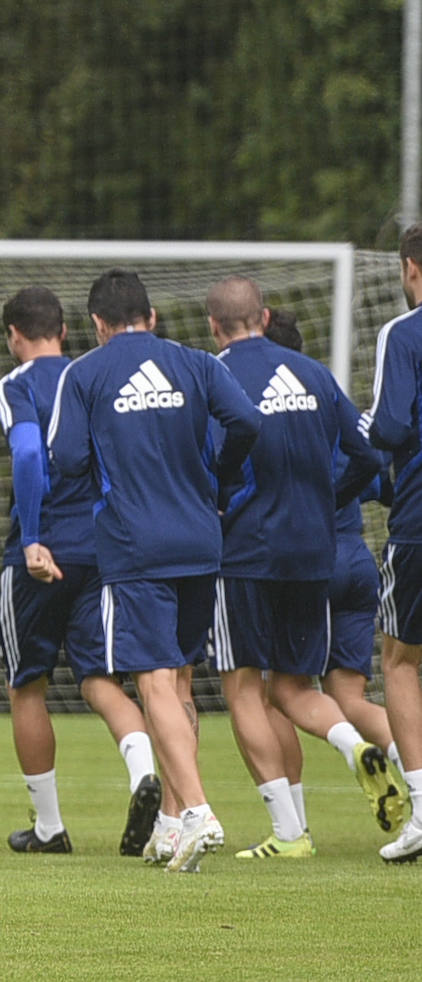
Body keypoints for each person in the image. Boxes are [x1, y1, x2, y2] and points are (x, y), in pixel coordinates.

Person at [46, 269, 262, 873]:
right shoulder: (199, 363)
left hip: (134, 545)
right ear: (154, 316)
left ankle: (197, 810)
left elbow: (64, 458)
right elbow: (247, 422)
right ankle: (170, 824)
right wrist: (218, 473)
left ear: (96, 325)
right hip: (200, 539)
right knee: (181, 679)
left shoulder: (84, 372)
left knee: (152, 683)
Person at [204, 277, 399, 861]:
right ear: (262, 316)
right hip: (316, 551)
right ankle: (351, 745)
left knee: (243, 688)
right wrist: (328, 501)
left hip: (248, 553)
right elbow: (366, 455)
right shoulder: (314, 373)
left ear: (216, 326)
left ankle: (289, 833)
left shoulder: (217, 374)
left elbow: (214, 457)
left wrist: (218, 502)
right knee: (293, 687)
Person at [0, 286, 160, 856]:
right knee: (102, 680)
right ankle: (144, 779)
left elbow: (31, 454)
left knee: (28, 685)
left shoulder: (15, 386)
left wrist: (34, 538)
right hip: (102, 551)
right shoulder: (94, 376)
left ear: (15, 335)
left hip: (40, 555)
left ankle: (48, 827)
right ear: (66, 329)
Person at [262, 308, 403, 845]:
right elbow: (381, 484)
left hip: (307, 566)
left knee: (279, 690)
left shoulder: (267, 411)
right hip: (358, 565)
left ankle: (293, 827)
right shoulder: (338, 409)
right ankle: (414, 782)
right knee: (350, 699)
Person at [363, 221, 422, 862]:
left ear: (411, 268)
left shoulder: (403, 333)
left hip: (419, 522)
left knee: (402, 660)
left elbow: (392, 424)